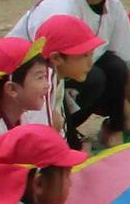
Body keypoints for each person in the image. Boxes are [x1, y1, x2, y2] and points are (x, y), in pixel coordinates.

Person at [9, 0, 130, 149]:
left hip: (66, 76)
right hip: (26, 87)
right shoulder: (61, 9)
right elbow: (45, 74)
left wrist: (125, 112)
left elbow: (124, 61)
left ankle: (113, 130)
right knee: (93, 75)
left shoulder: (113, 6)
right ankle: (65, 140)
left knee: (116, 67)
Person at [34, 15, 108, 147]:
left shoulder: (55, 76)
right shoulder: (43, 86)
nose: (90, 63)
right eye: (84, 55)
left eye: (91, 54)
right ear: (56, 58)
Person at [0, 38, 51, 149]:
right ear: (12, 89)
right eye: (40, 77)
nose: (47, 85)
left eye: (45, 77)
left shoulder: (22, 118)